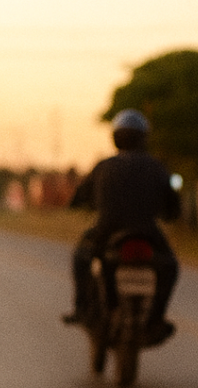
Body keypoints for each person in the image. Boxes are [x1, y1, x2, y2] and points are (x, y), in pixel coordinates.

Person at [63, 109, 181, 343]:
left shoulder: (104, 166)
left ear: (116, 137)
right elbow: (173, 207)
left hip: (106, 231)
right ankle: (156, 317)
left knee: (81, 258)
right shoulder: (157, 167)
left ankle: (81, 308)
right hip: (148, 232)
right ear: (143, 138)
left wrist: (79, 203)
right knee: (169, 266)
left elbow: (79, 197)